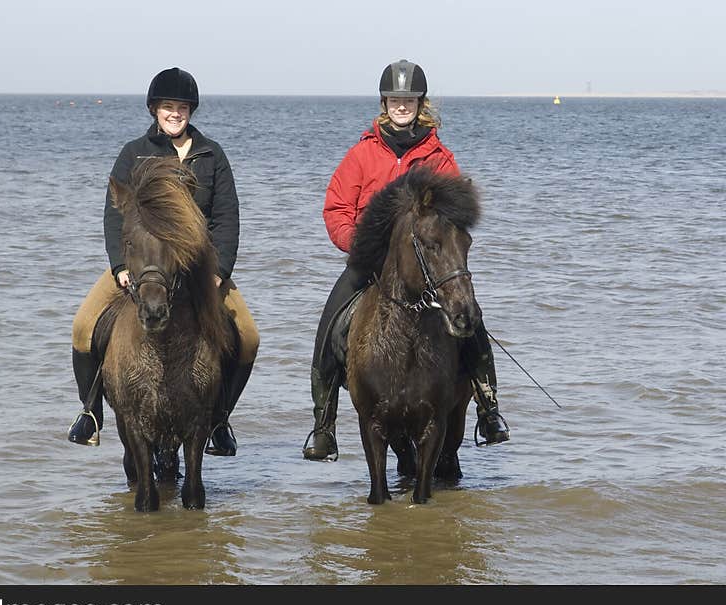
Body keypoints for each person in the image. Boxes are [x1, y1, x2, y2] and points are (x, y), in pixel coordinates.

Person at [302, 59, 510, 461]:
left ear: (420, 103)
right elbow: (337, 209)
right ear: (385, 102)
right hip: (370, 264)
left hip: (425, 270)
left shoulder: (440, 158)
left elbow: (455, 218)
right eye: (396, 98)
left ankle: (488, 408)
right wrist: (360, 246)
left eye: (409, 99)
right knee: (329, 326)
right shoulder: (362, 155)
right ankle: (323, 426)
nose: (402, 105)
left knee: (471, 317)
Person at [68, 67, 259, 456]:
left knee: (249, 338)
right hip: (143, 265)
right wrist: (121, 265)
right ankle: (90, 414)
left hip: (199, 269)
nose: (175, 113)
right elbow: (114, 214)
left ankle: (220, 420)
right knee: (83, 326)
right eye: (168, 106)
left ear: (192, 110)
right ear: (154, 109)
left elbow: (227, 216)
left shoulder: (211, 155)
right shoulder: (134, 153)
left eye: (182, 107)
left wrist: (220, 272)